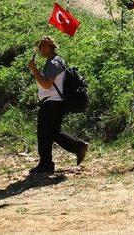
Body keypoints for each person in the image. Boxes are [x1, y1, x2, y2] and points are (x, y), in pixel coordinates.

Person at [27, 37, 88, 175]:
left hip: (51, 103)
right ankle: (78, 147)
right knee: (53, 133)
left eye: (41, 46)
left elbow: (47, 84)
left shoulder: (53, 63)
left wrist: (34, 69)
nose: (39, 49)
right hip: (57, 103)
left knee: (43, 134)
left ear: (48, 47)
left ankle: (45, 165)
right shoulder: (59, 61)